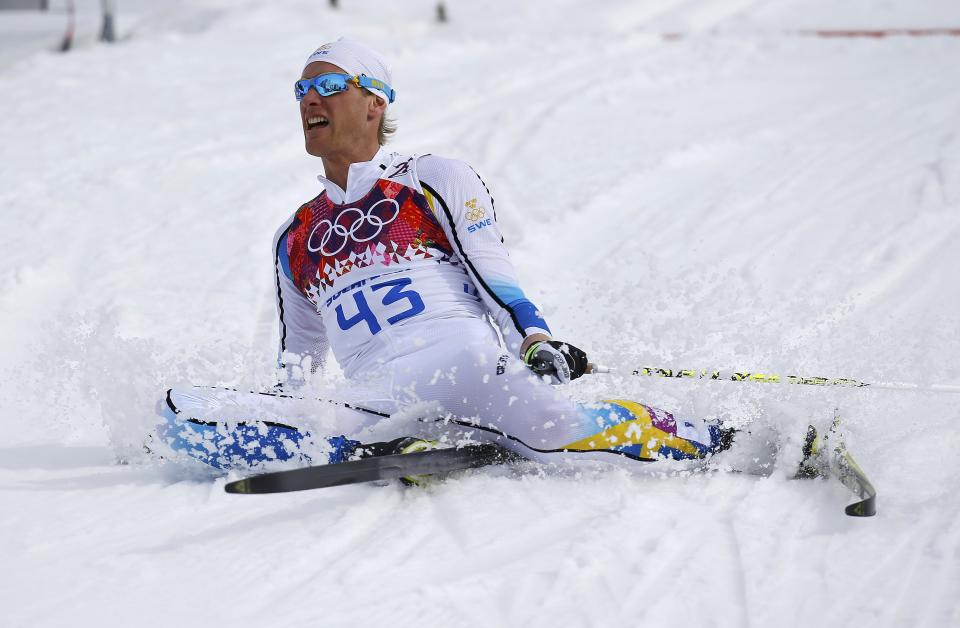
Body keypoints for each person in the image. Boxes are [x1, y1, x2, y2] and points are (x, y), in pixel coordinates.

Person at [156, 37, 766, 474]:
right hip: (376, 397)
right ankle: (389, 440)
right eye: (302, 90)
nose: (310, 99)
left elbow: (492, 273)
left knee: (556, 432)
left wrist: (535, 339)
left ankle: (737, 440)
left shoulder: (431, 178)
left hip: (466, 371)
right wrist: (288, 412)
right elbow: (301, 358)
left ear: (376, 102)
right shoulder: (295, 236)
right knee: (184, 412)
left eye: (329, 85)